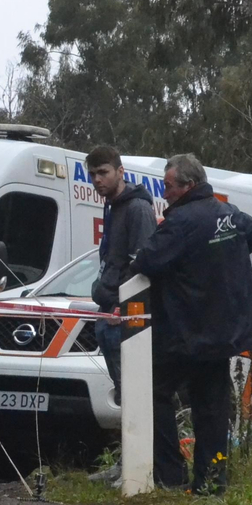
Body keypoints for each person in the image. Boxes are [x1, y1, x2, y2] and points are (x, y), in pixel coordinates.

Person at [130, 154, 252, 494]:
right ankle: (211, 482)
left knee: (154, 394)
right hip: (223, 334)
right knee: (213, 409)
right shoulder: (230, 215)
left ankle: (171, 476)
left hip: (185, 332)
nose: (165, 193)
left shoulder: (182, 222)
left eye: (168, 186)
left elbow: (147, 260)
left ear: (188, 185)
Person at [85, 145, 159, 403]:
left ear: (120, 171)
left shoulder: (137, 208)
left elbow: (142, 264)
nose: (97, 180)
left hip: (123, 317)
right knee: (124, 395)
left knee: (135, 398)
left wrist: (121, 306)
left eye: (103, 172)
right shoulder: (113, 206)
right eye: (92, 174)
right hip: (107, 313)